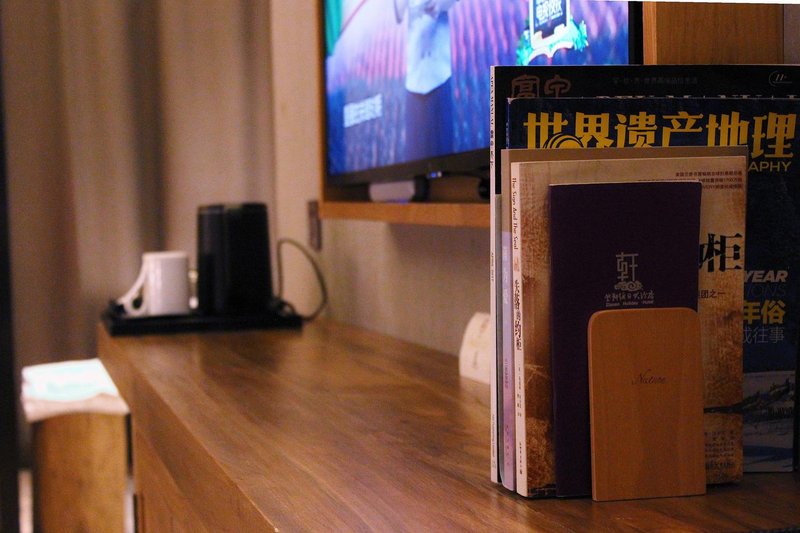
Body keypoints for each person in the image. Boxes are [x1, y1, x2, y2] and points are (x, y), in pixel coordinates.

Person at [395, 0, 458, 162]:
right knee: (415, 160)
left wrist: (439, 4)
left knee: (445, 157)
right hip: (414, 81)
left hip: (439, 75)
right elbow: (399, 14)